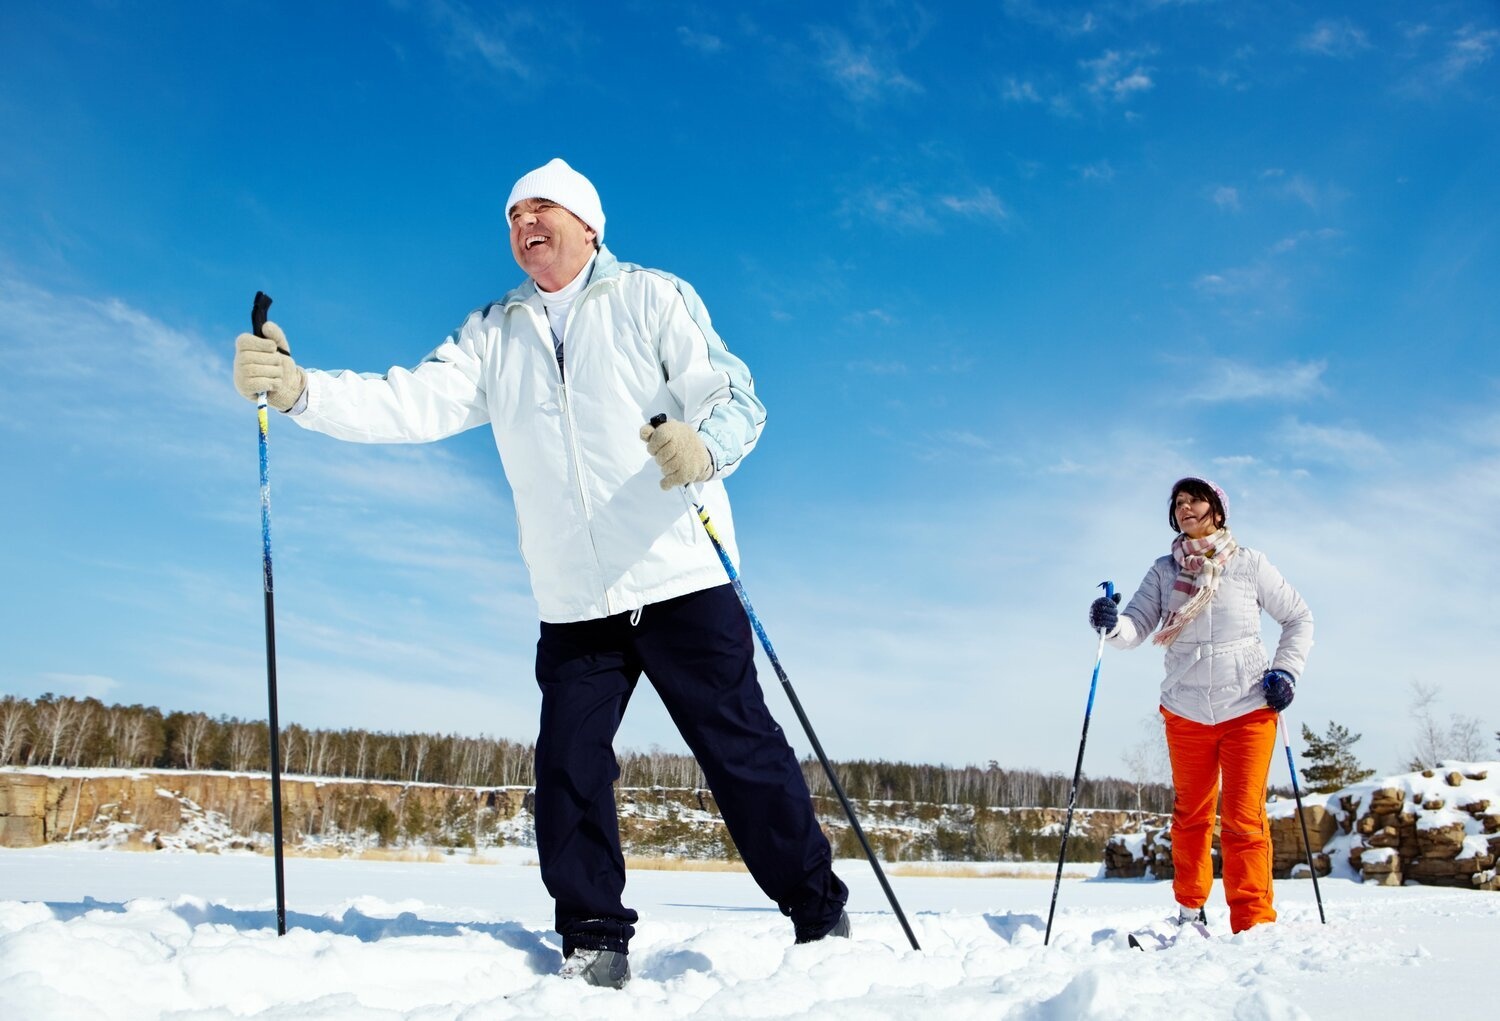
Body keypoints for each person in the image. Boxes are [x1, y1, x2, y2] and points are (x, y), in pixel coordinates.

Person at [232, 158, 849, 987]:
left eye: (542, 208)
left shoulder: (650, 298)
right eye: (514, 213)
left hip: (677, 578)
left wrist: (707, 446)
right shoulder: (495, 330)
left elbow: (735, 393)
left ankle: (819, 909)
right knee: (567, 763)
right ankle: (594, 934)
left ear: (589, 224)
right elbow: (409, 401)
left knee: (739, 752)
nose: (525, 223)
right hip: (575, 599)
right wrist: (302, 390)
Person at [1088, 477, 1312, 935]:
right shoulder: (1163, 571)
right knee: (1190, 815)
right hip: (1186, 709)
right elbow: (1136, 628)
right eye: (1178, 502)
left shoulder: (1249, 564)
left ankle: (1253, 922)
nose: (1185, 506)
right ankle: (1190, 911)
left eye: (1195, 499)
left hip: (1248, 705)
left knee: (1243, 816)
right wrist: (1111, 626)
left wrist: (1286, 673)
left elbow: (1298, 617)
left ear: (1217, 509)